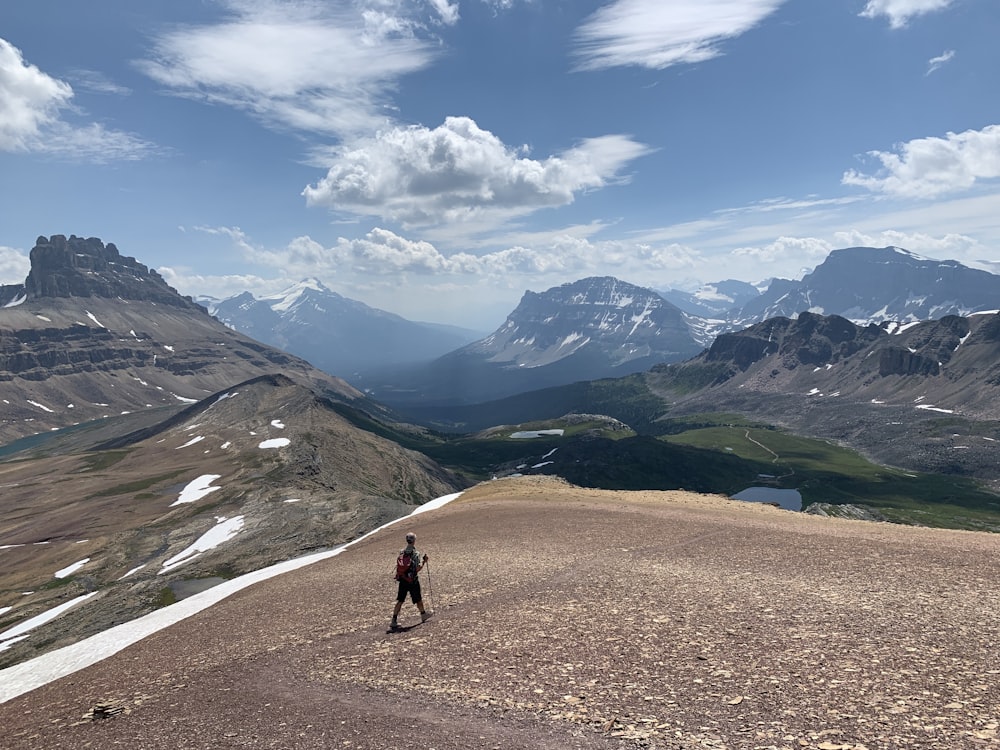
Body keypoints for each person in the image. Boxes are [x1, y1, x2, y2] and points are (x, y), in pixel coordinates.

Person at [390, 532, 432, 630]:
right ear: (414, 541)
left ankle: (394, 620)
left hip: (403, 580)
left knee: (400, 600)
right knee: (418, 599)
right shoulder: (415, 553)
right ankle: (423, 615)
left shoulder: (402, 552)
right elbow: (417, 569)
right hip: (412, 580)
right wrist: (424, 562)